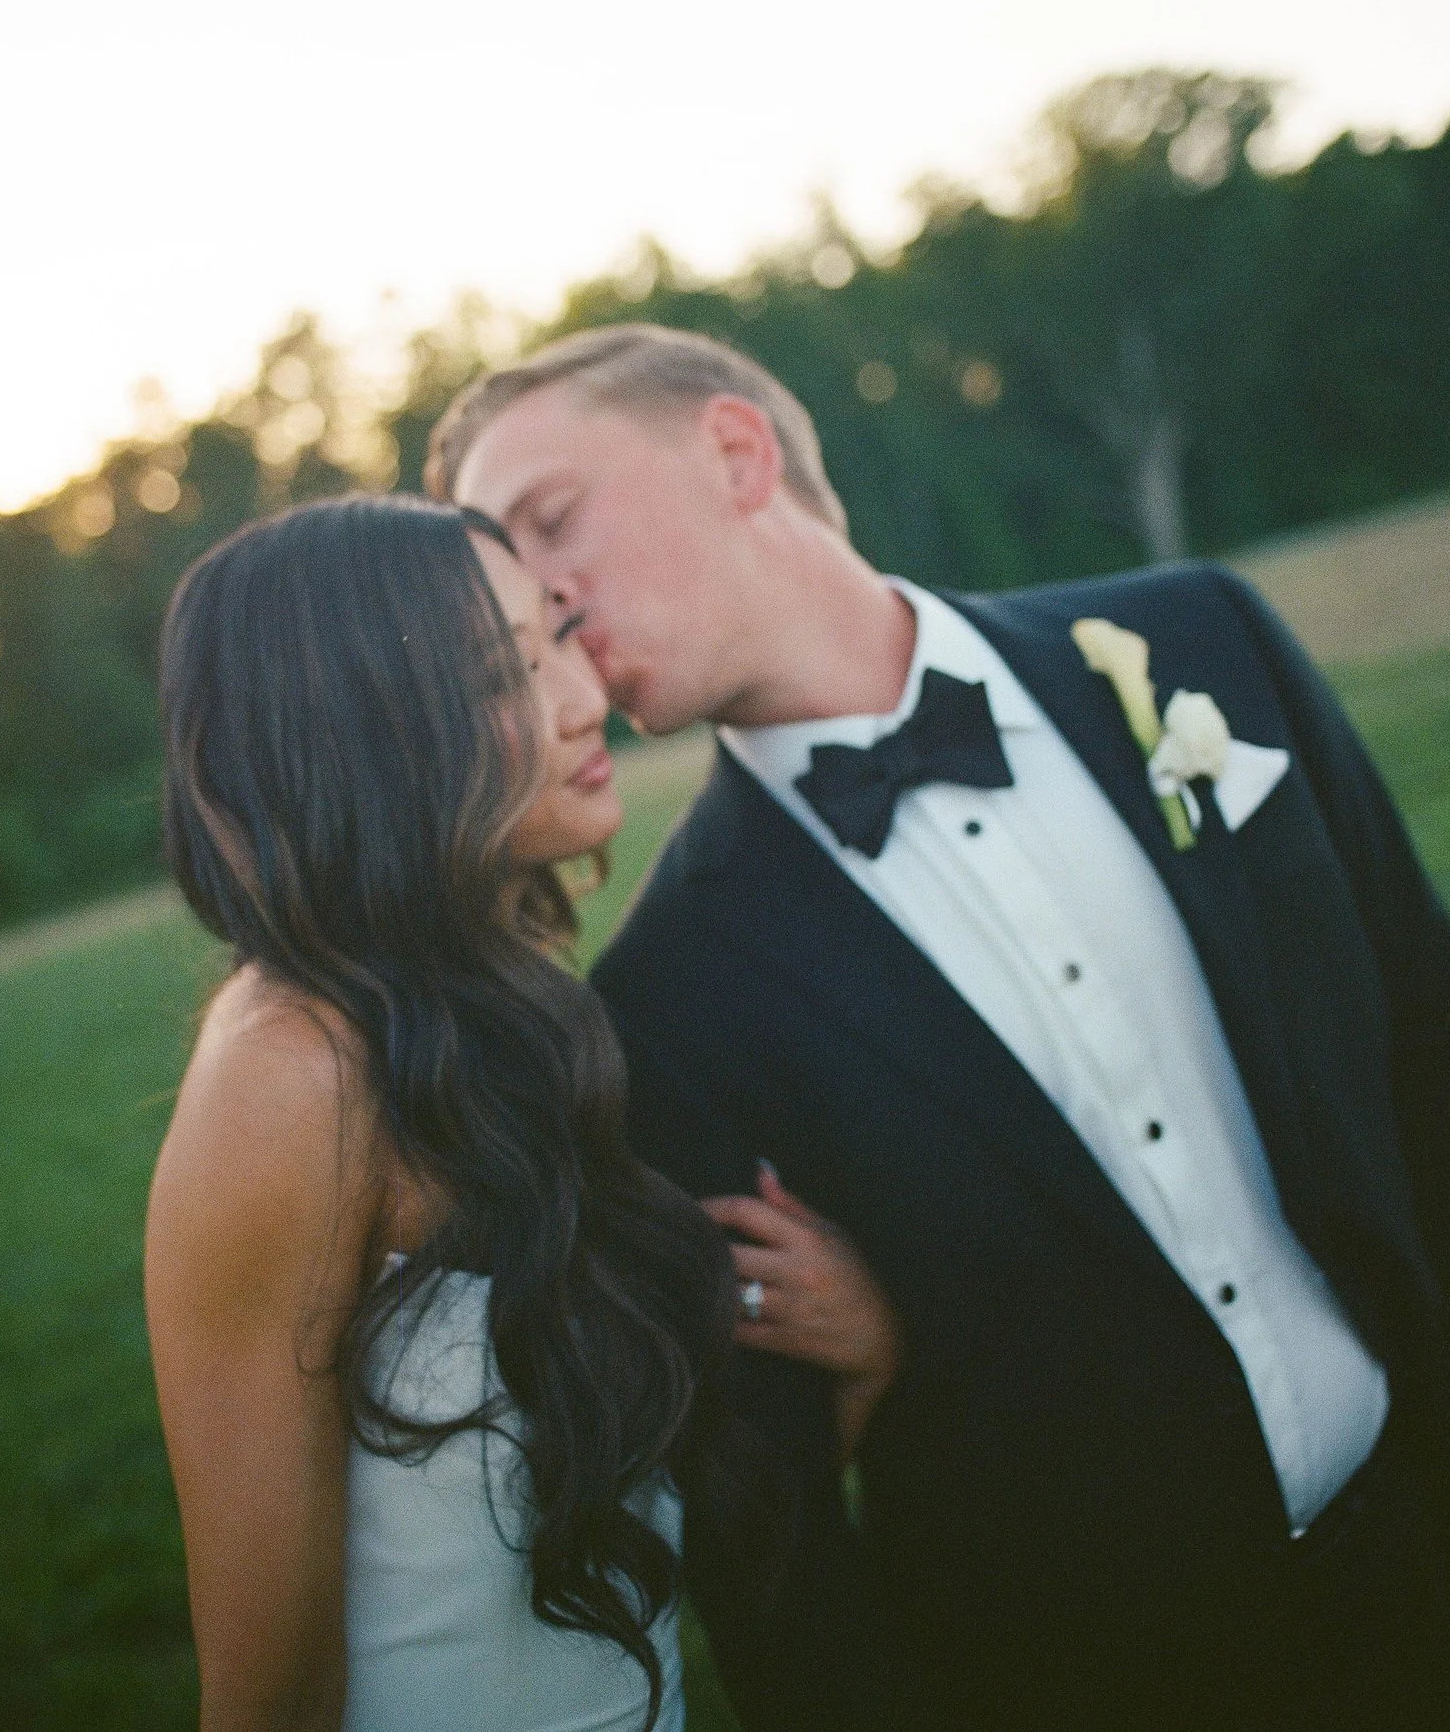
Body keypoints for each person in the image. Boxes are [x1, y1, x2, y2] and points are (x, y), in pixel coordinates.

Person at [428, 325, 1450, 1732]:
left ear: (737, 454)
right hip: (1095, 1679)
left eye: (552, 520)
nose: (541, 596)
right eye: (508, 577)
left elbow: (1431, 1035)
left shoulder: (1200, 640)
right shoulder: (663, 999)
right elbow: (767, 1525)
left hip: (1442, 1565)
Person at [142, 494, 902, 1732]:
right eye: (505, 673)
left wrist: (854, 1348)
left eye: (556, 633)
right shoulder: (292, 1074)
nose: (578, 696)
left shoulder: (516, 1020)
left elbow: (663, 1517)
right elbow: (269, 1691)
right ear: (364, 735)